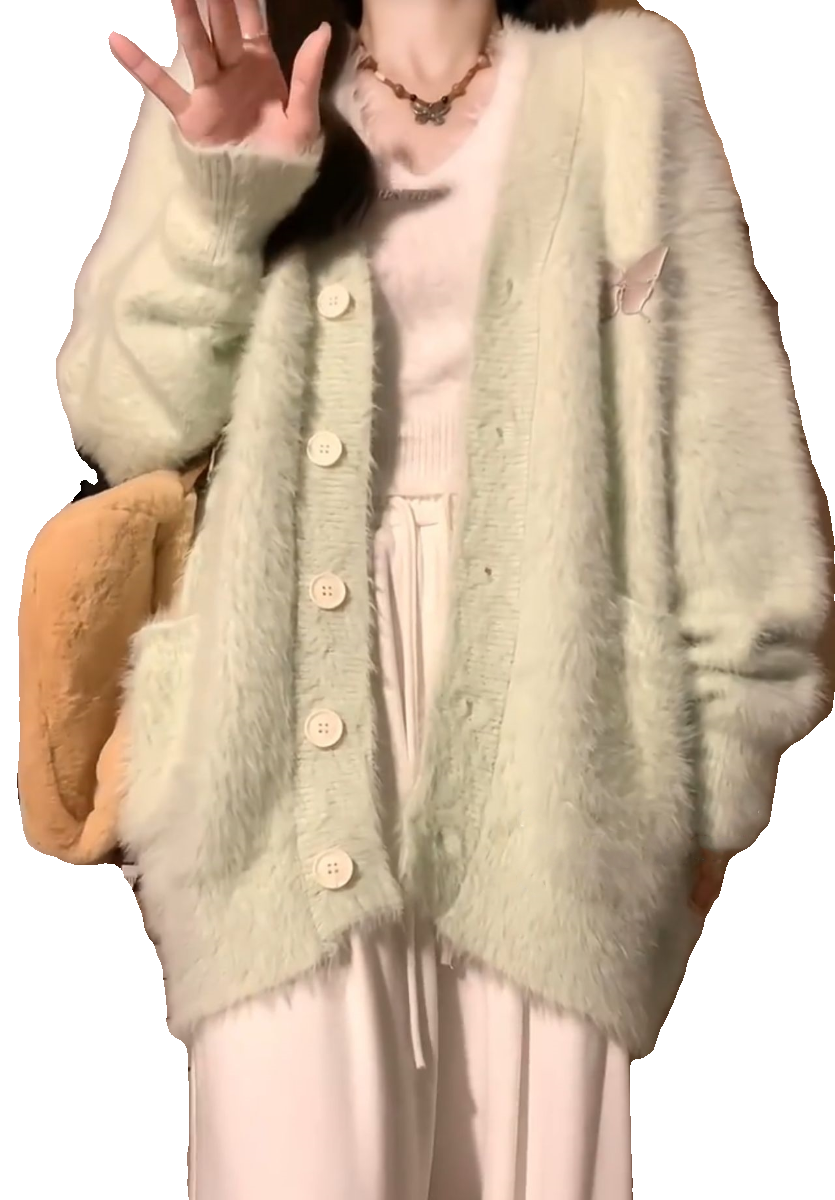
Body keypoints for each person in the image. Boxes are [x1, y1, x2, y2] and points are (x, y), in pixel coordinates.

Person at [56, 0, 830, 1196]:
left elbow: (732, 463)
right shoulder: (244, 68)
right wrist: (223, 205)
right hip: (272, 751)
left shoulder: (629, 81)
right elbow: (121, 419)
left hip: (560, 755)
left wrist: (709, 795)